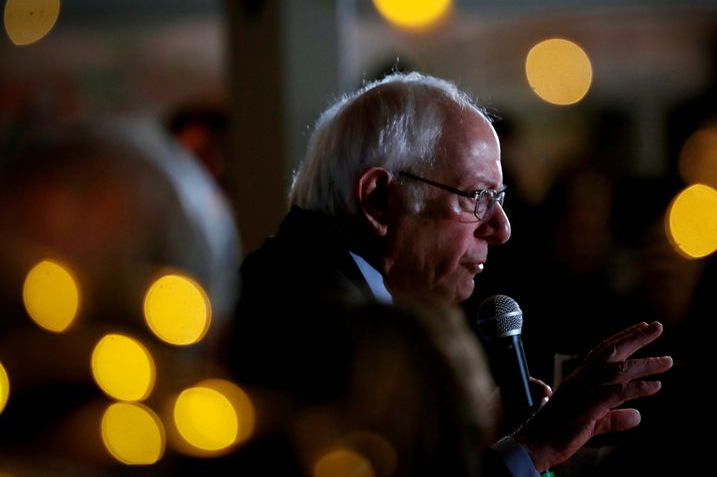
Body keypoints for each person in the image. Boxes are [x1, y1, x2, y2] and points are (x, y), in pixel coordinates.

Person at [228, 71, 673, 476]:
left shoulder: (306, 284)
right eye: (476, 196)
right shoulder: (318, 326)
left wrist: (476, 439)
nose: (502, 228)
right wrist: (531, 449)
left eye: (499, 197)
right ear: (380, 200)